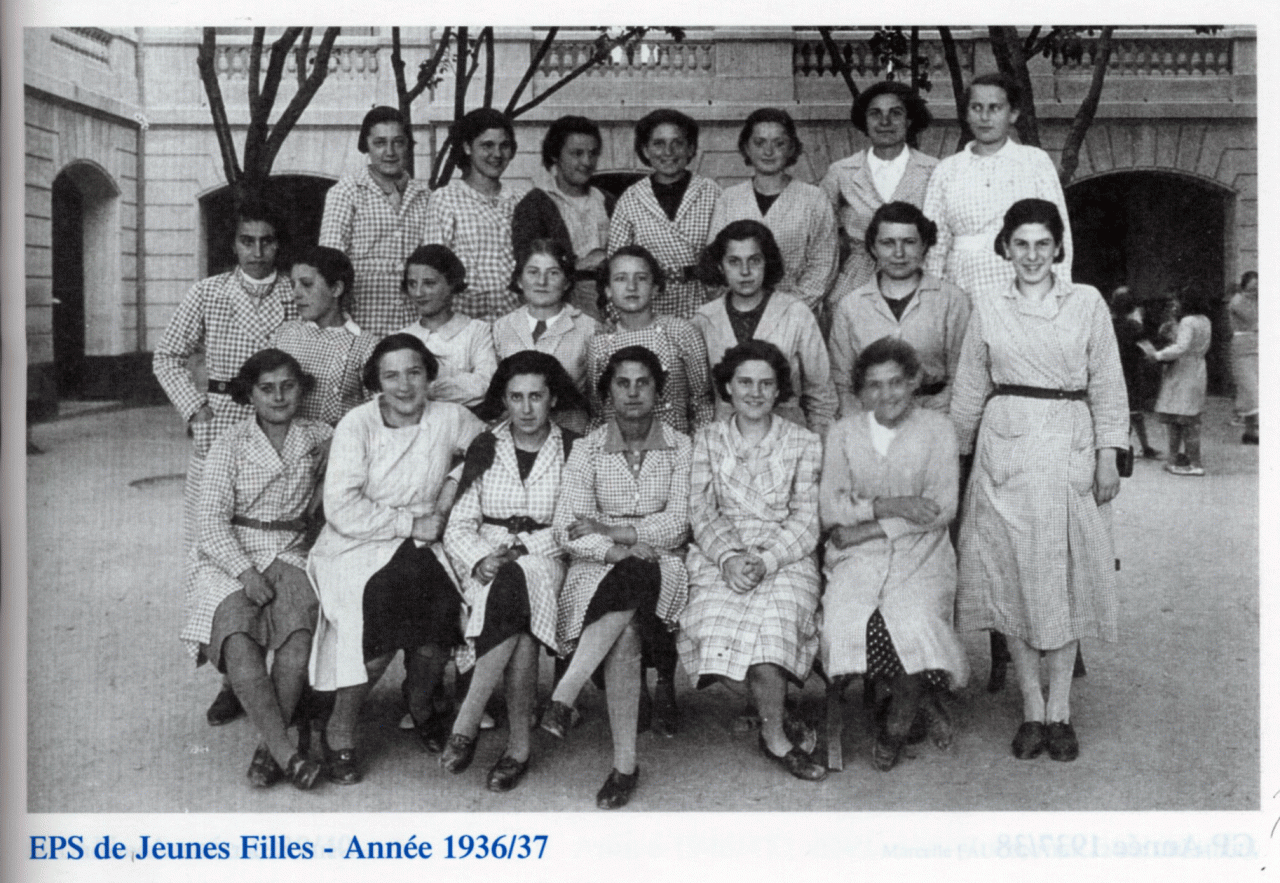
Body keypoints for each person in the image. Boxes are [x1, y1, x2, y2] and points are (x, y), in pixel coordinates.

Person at [949, 199, 1127, 763]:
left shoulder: (1087, 303)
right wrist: (951, 459)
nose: (1031, 255)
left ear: (1057, 249)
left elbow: (1108, 383)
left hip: (1068, 445)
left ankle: (1061, 711)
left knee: (1064, 578)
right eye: (1020, 244)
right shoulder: (989, 306)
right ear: (1005, 248)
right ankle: (1031, 708)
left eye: (1041, 244)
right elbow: (970, 388)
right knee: (1013, 580)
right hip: (1005, 452)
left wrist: (1108, 455)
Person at [306, 334, 485, 784]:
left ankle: (420, 700)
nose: (404, 385)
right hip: (357, 545)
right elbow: (342, 508)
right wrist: (409, 524)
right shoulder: (357, 424)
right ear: (376, 382)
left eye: (414, 372)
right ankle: (341, 726)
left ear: (429, 375)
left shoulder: (450, 417)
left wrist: (446, 496)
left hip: (425, 543)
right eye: (391, 375)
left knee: (441, 607)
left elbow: (486, 451)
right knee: (379, 608)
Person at [153, 196, 296, 728]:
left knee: (279, 549)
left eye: (267, 241)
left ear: (280, 244)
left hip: (280, 425)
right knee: (217, 549)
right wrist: (195, 410)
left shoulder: (294, 292)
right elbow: (166, 355)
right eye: (246, 241)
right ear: (232, 243)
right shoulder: (209, 292)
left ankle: (283, 673)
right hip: (222, 424)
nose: (257, 252)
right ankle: (232, 677)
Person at [543, 346, 693, 809]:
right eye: (622, 383)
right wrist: (611, 547)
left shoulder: (681, 445)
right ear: (608, 392)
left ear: (658, 392)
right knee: (625, 627)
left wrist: (614, 528)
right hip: (596, 566)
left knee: (640, 571)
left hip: (662, 561)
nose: (632, 392)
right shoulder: (587, 448)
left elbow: (680, 521)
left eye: (642, 383)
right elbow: (568, 525)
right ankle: (625, 763)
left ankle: (565, 694)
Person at [179, 349, 331, 790]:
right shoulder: (230, 443)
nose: (279, 396)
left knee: (298, 637)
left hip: (291, 549)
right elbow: (209, 521)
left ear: (300, 389)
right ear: (250, 394)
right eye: (267, 388)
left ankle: (269, 749)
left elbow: (369, 431)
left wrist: (337, 445)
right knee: (238, 637)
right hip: (231, 552)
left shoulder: (320, 434)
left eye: (288, 386)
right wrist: (244, 572)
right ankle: (285, 751)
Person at [439, 352, 589, 792]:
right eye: (516, 397)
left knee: (519, 579)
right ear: (503, 399)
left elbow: (570, 524)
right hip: (485, 560)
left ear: (552, 399)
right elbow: (460, 523)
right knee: (518, 624)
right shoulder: (486, 444)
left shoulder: (574, 448)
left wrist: (520, 549)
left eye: (536, 397)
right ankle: (518, 747)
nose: (526, 408)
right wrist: (480, 559)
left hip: (548, 559)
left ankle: (467, 721)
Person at [677, 340, 826, 782]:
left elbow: (807, 518)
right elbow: (701, 511)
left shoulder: (804, 442)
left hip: (785, 557)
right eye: (745, 382)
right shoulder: (706, 440)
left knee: (773, 632)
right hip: (719, 555)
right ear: (728, 386)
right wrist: (726, 558)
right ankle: (773, 711)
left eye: (767, 384)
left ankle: (776, 738)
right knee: (710, 629)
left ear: (780, 390)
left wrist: (766, 559)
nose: (756, 392)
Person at [819, 338, 968, 771]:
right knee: (848, 622)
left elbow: (942, 507)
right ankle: (917, 695)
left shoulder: (938, 429)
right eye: (873, 386)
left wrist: (869, 525)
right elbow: (831, 509)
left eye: (896, 383)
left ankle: (898, 723)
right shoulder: (843, 432)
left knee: (914, 620)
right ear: (860, 391)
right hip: (856, 558)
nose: (885, 395)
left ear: (915, 382)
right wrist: (891, 505)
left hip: (922, 551)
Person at [923, 72, 1073, 298]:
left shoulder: (1035, 162)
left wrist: (1058, 295)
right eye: (976, 108)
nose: (985, 117)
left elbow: (1059, 233)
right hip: (963, 285)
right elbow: (935, 243)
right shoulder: (947, 170)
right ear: (966, 114)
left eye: (995, 108)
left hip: (1023, 283)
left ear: (1013, 114)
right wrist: (933, 296)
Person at [828, 201, 970, 418]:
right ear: (873, 248)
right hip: (871, 420)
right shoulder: (850, 306)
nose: (899, 253)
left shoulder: (952, 300)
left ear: (924, 245)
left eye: (909, 242)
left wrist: (934, 419)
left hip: (934, 418)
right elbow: (841, 382)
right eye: (887, 243)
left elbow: (963, 376)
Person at [693, 220, 836, 434]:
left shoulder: (796, 313)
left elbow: (821, 396)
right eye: (734, 261)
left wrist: (819, 447)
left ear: (766, 262)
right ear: (720, 266)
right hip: (726, 443)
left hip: (789, 441)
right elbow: (699, 397)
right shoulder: (704, 319)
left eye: (754, 260)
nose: (745, 271)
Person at [820, 80, 938, 313]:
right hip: (856, 281)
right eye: (875, 114)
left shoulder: (933, 171)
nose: (885, 122)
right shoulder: (841, 172)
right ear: (865, 120)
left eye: (895, 113)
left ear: (909, 120)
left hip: (918, 278)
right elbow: (821, 234)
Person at [709, 108, 838, 315]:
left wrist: (785, 311)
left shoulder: (814, 198)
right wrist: (740, 308)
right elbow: (715, 261)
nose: (768, 152)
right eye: (759, 143)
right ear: (746, 148)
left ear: (791, 148)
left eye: (779, 144)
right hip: (738, 312)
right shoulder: (728, 199)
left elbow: (823, 266)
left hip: (796, 313)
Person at [319, 106, 432, 336]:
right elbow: (330, 265)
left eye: (398, 142)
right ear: (366, 146)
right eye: (380, 143)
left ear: (407, 145)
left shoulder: (425, 196)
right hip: (362, 327)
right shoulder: (346, 192)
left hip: (416, 328)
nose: (390, 151)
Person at [587, 245, 714, 435]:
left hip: (676, 450)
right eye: (621, 278)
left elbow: (702, 402)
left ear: (655, 288)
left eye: (641, 278)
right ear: (607, 290)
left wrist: (697, 452)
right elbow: (599, 411)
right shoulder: (599, 344)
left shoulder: (681, 332)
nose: (632, 286)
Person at [607, 109, 721, 319]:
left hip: (704, 306)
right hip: (648, 310)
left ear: (690, 149)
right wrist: (617, 317)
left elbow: (724, 254)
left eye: (677, 143)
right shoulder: (631, 198)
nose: (668, 152)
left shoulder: (710, 192)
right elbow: (616, 262)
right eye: (659, 144)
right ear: (646, 150)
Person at [512, 115, 615, 321]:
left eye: (593, 153)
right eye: (577, 153)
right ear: (555, 155)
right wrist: (582, 264)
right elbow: (530, 264)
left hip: (609, 304)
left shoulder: (607, 200)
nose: (586, 162)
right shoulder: (536, 204)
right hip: (560, 307)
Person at [423, 108, 522, 321]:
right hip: (464, 324)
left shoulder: (520, 201)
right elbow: (434, 268)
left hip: (515, 322)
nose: (497, 154)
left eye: (504, 146)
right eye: (487, 145)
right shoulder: (446, 199)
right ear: (467, 147)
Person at [491, 238, 599, 433]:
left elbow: (597, 398)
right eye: (533, 272)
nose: (542, 282)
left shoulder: (588, 328)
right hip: (515, 432)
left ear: (566, 282)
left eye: (553, 273)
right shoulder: (501, 327)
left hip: (573, 432)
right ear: (519, 280)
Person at [275, 245, 378, 426]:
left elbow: (377, 410)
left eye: (307, 284)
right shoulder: (284, 335)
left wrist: (336, 439)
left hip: (340, 447)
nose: (295, 294)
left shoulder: (365, 344)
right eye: (293, 285)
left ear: (336, 289)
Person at [396, 244, 497, 410]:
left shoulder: (476, 331)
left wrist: (425, 389)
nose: (418, 293)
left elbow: (485, 384)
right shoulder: (402, 337)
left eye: (429, 283)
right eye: (412, 284)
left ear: (451, 284)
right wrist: (462, 381)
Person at [1139, 290, 1213, 476]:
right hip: (1197, 368)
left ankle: (1187, 462)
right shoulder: (1205, 320)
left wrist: (1157, 355)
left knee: (1177, 418)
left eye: (1177, 301)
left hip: (1182, 371)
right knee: (1189, 419)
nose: (1175, 305)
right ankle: (1190, 461)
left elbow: (1181, 347)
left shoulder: (1187, 321)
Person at [1108, 286, 1161, 460]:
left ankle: (1116, 448)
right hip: (1132, 371)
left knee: (1118, 413)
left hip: (1111, 372)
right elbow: (1148, 350)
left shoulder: (1106, 325)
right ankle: (1142, 447)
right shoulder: (1134, 326)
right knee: (1135, 412)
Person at [1228, 271, 1258, 444]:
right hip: (1243, 347)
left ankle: (1250, 432)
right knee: (1251, 389)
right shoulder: (1238, 301)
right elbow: (1253, 319)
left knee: (1250, 391)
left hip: (1257, 345)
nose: (1255, 291)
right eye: (1253, 287)